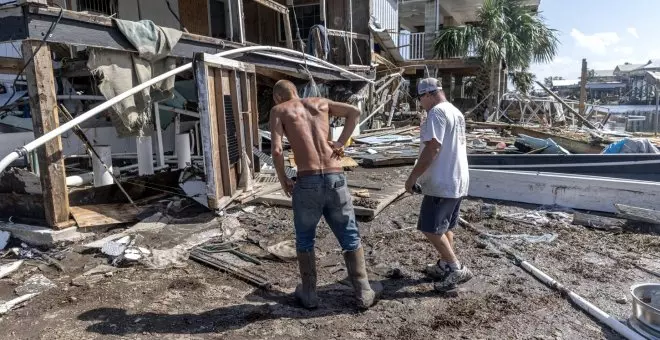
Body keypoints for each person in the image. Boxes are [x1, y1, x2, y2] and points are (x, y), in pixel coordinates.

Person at [269, 80, 377, 309]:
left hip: (307, 181)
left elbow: (277, 150)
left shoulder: (279, 110)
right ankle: (363, 291)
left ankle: (309, 294)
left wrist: (283, 179)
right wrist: (340, 142)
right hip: (335, 177)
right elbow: (354, 112)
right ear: (296, 91)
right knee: (349, 233)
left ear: (278, 98)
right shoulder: (320, 103)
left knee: (305, 237)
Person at [404, 77, 473, 292]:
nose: (420, 103)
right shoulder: (455, 111)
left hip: (442, 181)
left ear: (428, 94)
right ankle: (445, 264)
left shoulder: (437, 113)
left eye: (420, 98)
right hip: (457, 179)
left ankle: (455, 267)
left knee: (430, 228)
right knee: (445, 227)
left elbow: (433, 148)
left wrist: (413, 177)